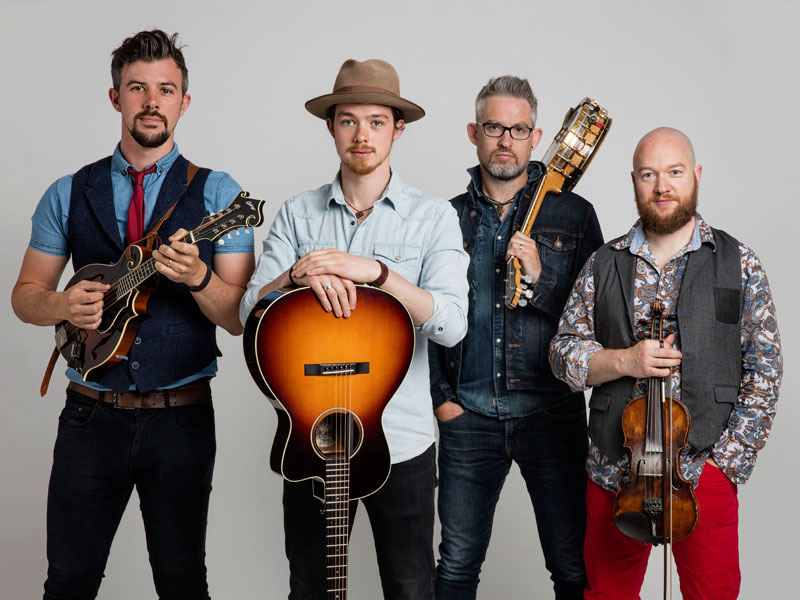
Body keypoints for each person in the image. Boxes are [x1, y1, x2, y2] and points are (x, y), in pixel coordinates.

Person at [10, 30, 254, 600]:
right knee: (68, 581)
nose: (152, 101)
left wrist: (197, 277)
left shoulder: (222, 194)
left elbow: (239, 317)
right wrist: (61, 305)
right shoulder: (67, 192)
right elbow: (25, 295)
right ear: (116, 97)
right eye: (137, 88)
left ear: (183, 102)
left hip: (181, 418)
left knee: (181, 582)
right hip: (88, 418)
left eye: (166, 90)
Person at [239, 58, 469, 599]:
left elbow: (453, 326)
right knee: (312, 589)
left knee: (411, 588)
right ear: (331, 126)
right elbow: (249, 310)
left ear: (397, 128)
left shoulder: (433, 217)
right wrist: (294, 277)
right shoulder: (298, 215)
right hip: (311, 439)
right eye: (348, 121)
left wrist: (379, 275)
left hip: (403, 440)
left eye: (376, 121)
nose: (362, 135)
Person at [549, 127, 782, 600]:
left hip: (703, 467)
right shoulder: (602, 262)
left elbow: (765, 369)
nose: (662, 186)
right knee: (606, 595)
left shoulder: (740, 263)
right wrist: (623, 360)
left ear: (695, 176)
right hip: (617, 469)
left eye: (674, 172)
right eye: (649, 175)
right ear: (633, 180)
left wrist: (726, 463)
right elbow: (562, 355)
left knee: (712, 594)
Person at [428, 75, 603, 600]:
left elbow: (596, 320)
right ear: (473, 133)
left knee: (573, 567)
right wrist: (443, 401)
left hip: (552, 415)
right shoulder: (445, 218)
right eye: (494, 127)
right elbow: (428, 316)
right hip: (469, 417)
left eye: (518, 129)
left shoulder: (574, 215)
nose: (506, 139)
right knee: (456, 568)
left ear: (536, 135)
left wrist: (541, 275)